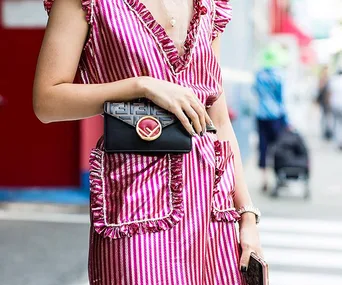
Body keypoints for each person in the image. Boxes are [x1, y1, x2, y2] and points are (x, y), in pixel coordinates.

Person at [33, 0, 262, 284]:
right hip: (135, 201)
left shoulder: (210, 5)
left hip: (213, 211)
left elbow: (218, 119)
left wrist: (247, 215)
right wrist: (140, 86)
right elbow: (47, 101)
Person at [253, 46, 289, 192]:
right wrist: (286, 120)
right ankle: (278, 178)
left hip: (261, 115)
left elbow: (255, 91)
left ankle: (264, 179)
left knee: (263, 146)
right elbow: (281, 99)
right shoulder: (278, 76)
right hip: (276, 116)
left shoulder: (259, 75)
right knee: (278, 147)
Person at [316, 65, 333, 140]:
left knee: (327, 117)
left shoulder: (327, 79)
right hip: (324, 101)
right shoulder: (322, 79)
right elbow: (319, 89)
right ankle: (325, 133)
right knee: (324, 117)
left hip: (327, 101)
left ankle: (327, 132)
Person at [329, 69, 342, 150]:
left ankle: (339, 142)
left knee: (337, 124)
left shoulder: (334, 81)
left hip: (335, 105)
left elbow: (330, 93)